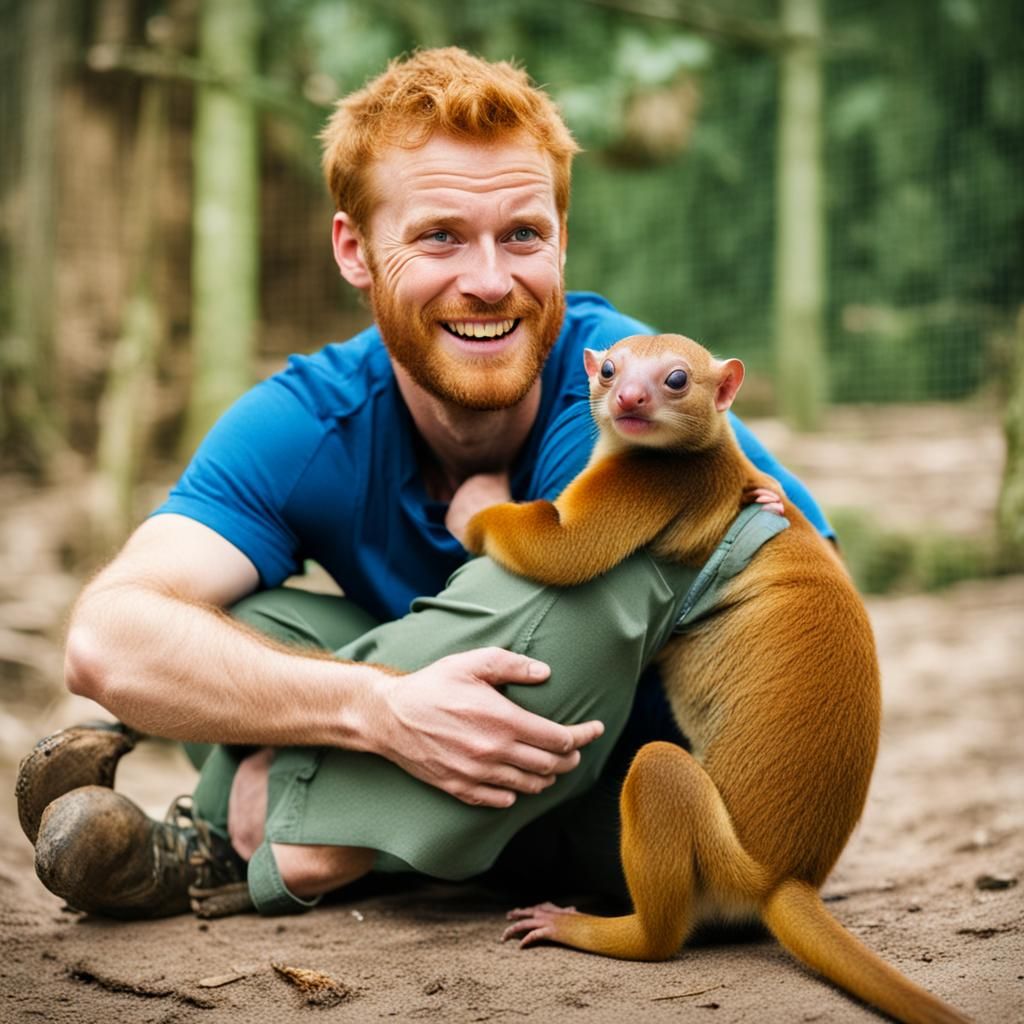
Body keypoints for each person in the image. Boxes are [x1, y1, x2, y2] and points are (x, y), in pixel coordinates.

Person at [19, 47, 832, 920]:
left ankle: (260, 836)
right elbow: (106, 640)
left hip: (659, 824)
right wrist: (377, 708)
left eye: (523, 235)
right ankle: (354, 819)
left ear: (562, 240)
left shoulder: (629, 400)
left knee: (607, 575)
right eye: (440, 236)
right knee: (244, 624)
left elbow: (805, 644)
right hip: (471, 795)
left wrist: (304, 742)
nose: (489, 282)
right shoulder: (312, 416)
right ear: (355, 250)